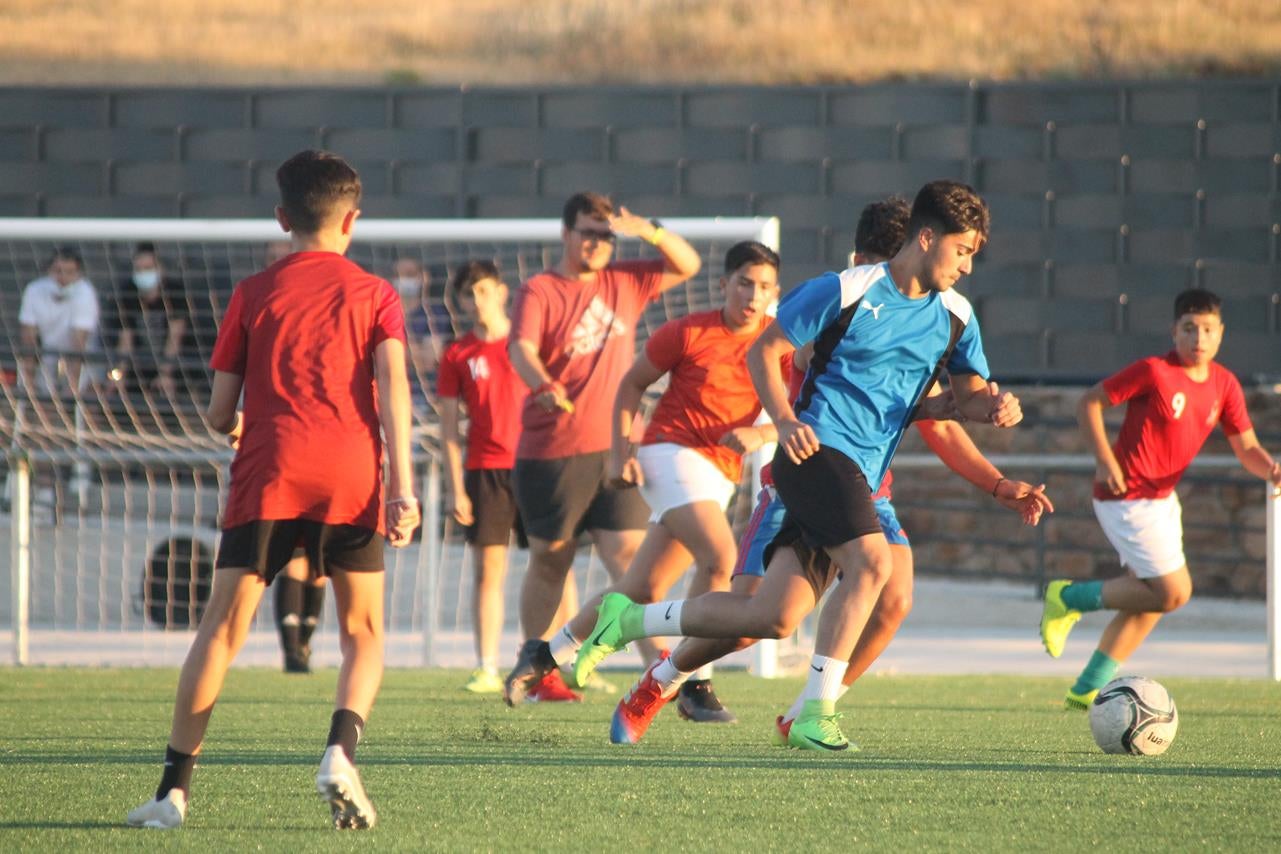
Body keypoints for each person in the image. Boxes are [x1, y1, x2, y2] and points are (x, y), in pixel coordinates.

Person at [574, 180, 1026, 752]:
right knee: (871, 564)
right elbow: (764, 350)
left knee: (770, 617)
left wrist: (996, 407)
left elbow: (966, 399)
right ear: (928, 237)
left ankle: (630, 623)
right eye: (963, 251)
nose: (966, 268)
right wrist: (784, 421)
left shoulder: (957, 315)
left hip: (861, 474)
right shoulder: (847, 289)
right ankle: (814, 712)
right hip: (812, 453)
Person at [126, 149, 420, 830]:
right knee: (364, 632)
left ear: (282, 218)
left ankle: (173, 793)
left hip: (270, 471)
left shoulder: (253, 294)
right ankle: (340, 753)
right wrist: (402, 489)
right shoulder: (376, 293)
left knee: (222, 633)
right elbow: (395, 390)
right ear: (353, 220)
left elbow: (217, 411)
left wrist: (234, 424)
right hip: (352, 473)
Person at [503, 241, 782, 723]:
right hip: (669, 453)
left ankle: (546, 656)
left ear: (776, 292)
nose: (752, 296)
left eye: (763, 287)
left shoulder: (779, 342)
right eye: (743, 283)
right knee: (719, 559)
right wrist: (620, 455)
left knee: (640, 588)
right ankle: (692, 682)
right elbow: (631, 384)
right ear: (723, 284)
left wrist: (761, 431)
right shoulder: (688, 331)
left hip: (719, 471)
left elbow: (800, 413)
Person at [501, 191, 702, 705]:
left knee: (630, 560)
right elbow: (519, 347)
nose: (596, 243)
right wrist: (543, 384)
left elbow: (689, 262)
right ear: (566, 234)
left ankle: (663, 679)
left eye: (605, 235)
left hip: (617, 449)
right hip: (552, 449)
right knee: (551, 558)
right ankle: (537, 662)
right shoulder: (539, 289)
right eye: (587, 232)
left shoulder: (626, 280)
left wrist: (647, 228)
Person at [1041, 288, 1281, 709]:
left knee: (1150, 598)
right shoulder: (1154, 371)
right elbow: (1089, 403)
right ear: (1174, 331)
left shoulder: (1225, 385)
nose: (1199, 338)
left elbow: (1246, 447)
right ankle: (1067, 598)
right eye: (1189, 328)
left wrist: (1271, 469)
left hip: (1163, 502)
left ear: (1221, 333)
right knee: (1173, 592)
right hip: (1125, 497)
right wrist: (1104, 460)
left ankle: (1085, 689)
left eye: (1207, 329)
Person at [437, 260, 529, 694]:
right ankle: (487, 665)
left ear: (502, 291)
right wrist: (457, 487)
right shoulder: (458, 354)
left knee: (555, 562)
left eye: (484, 290)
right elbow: (450, 430)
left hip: (536, 466)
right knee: (489, 570)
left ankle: (569, 661)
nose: (477, 301)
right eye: (469, 294)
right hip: (485, 472)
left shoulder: (529, 344)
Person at [106, 243, 193, 419]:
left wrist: (165, 373)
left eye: (148, 268)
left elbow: (175, 336)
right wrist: (119, 373)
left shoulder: (174, 291)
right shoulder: (127, 292)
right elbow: (126, 337)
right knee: (118, 395)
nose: (143, 273)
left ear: (159, 268)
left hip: (174, 362)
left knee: (168, 391)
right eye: (139, 269)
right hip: (140, 362)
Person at [18, 247, 100, 398]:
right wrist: (29, 380)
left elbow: (79, 342)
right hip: (46, 359)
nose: (63, 277)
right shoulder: (34, 290)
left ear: (78, 274)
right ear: (49, 270)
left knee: (85, 401)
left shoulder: (85, 293)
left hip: (82, 362)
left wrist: (72, 386)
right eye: (58, 271)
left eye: (69, 272)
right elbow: (28, 338)